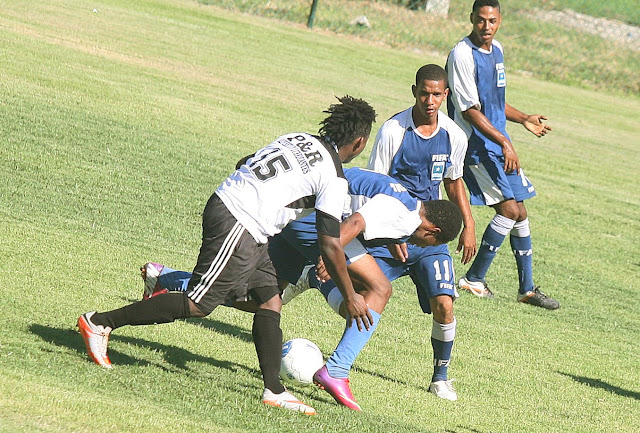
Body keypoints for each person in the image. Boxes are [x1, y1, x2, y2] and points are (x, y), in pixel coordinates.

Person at [76, 95, 377, 416]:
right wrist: (351, 296)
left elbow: (244, 162)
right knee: (199, 303)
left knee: (269, 298)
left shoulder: (299, 139)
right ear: (359, 143)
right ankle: (100, 323)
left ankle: (274, 390)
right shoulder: (334, 177)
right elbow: (330, 244)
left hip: (244, 218)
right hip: (239, 220)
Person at [142, 167, 464, 411]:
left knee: (262, 299)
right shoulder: (406, 216)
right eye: (428, 242)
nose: (416, 244)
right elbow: (351, 225)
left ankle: (165, 278)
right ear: (432, 231)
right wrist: (329, 254)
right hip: (313, 223)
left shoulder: (405, 200)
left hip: (293, 215)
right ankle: (336, 370)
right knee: (380, 289)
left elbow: (360, 204)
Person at [361, 63, 475, 402]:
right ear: (414, 91)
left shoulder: (455, 135)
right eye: (424, 93)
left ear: (446, 95)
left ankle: (440, 378)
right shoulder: (394, 130)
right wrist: (394, 235)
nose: (429, 100)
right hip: (391, 233)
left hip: (431, 236)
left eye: (436, 94)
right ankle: (303, 278)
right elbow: (375, 184)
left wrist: (468, 225)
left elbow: (454, 182)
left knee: (445, 303)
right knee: (353, 288)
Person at [446, 0, 559, 309]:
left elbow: (495, 102)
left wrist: (522, 119)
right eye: (481, 20)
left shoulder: (498, 51)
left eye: (492, 20)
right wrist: (505, 143)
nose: (486, 26)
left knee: (520, 211)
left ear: (499, 21)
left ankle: (527, 289)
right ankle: (473, 279)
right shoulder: (461, 55)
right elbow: (470, 111)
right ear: (471, 19)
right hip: (474, 145)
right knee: (509, 211)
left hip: (497, 141)